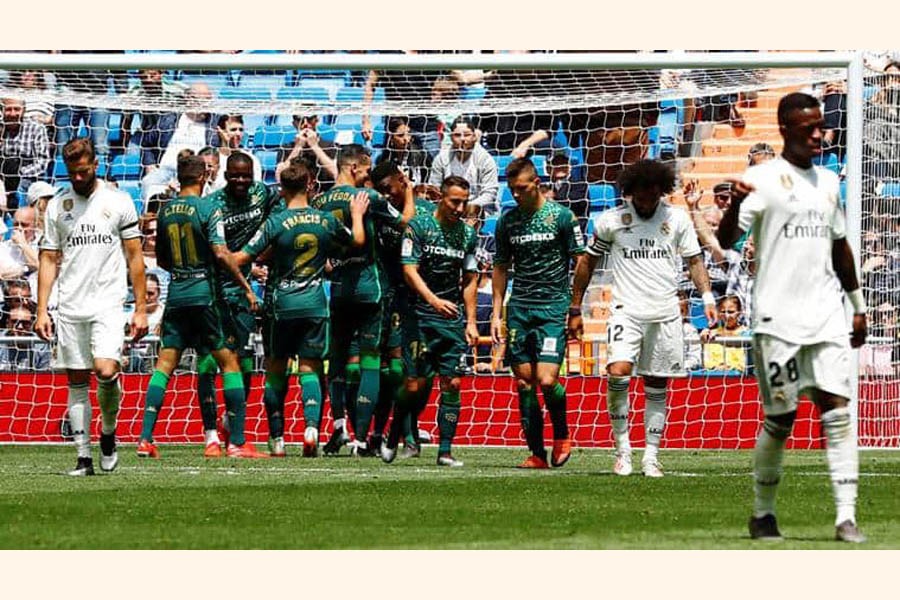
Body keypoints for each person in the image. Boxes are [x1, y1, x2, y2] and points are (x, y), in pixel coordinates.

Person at [717, 92, 868, 543]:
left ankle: (846, 517)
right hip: (777, 318)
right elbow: (729, 238)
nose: (820, 134)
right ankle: (763, 514)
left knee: (838, 411)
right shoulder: (762, 179)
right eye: (811, 128)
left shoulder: (827, 181)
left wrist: (857, 307)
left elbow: (839, 245)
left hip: (826, 316)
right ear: (786, 128)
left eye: (821, 126)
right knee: (781, 419)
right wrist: (731, 205)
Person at [568, 159, 717, 478]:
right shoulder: (612, 220)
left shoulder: (676, 219)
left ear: (661, 191)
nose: (648, 201)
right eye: (641, 195)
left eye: (654, 195)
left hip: (664, 313)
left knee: (656, 383)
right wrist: (575, 307)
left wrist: (707, 297)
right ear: (630, 192)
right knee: (618, 373)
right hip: (627, 310)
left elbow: (694, 261)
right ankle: (623, 450)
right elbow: (587, 262)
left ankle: (651, 455)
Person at [135, 154, 266, 459]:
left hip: (177, 292)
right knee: (229, 363)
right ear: (205, 176)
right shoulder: (209, 208)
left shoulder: (165, 212)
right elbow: (221, 253)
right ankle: (236, 442)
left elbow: (163, 259)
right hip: (205, 294)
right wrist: (247, 288)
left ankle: (145, 438)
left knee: (165, 365)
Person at [235, 162, 367, 457]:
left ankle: (277, 439)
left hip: (281, 305)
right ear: (310, 185)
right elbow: (357, 241)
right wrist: (357, 215)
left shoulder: (275, 221)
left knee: (276, 369)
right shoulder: (324, 220)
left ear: (281, 189)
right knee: (311, 368)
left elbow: (244, 256)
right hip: (315, 304)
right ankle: (310, 430)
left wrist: (224, 256)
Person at [35, 137, 149, 476]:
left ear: (95, 165)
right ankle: (83, 458)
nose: (79, 178)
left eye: (83, 171)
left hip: (109, 303)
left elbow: (135, 256)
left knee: (106, 370)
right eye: (72, 173)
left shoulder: (118, 201)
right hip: (70, 304)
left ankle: (109, 433)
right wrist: (43, 309)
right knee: (76, 380)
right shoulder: (58, 206)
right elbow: (49, 258)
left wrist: (140, 308)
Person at [312, 144, 414, 456]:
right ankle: (360, 440)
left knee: (338, 363)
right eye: (366, 170)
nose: (368, 175)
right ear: (354, 167)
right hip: (369, 289)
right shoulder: (367, 198)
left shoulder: (319, 201)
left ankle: (339, 425)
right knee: (371, 362)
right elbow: (405, 221)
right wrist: (408, 192)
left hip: (339, 289)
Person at [490, 157, 586, 469]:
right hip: (519, 309)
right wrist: (496, 312)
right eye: (511, 189)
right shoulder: (508, 221)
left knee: (546, 380)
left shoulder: (561, 217)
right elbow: (501, 266)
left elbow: (581, 260)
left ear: (536, 183)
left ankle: (562, 433)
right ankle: (536, 453)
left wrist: (575, 307)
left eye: (521, 188)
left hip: (551, 309)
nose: (515, 195)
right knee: (523, 383)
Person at [381, 175, 478, 467]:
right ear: (441, 197)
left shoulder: (467, 235)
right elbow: (409, 271)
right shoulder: (419, 227)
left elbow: (470, 279)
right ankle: (395, 430)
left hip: (450, 319)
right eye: (454, 202)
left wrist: (471, 321)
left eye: (464, 202)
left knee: (453, 383)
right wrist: (433, 301)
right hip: (419, 316)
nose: (460, 209)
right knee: (414, 385)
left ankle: (445, 451)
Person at [196, 152, 281, 448]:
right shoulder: (212, 206)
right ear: (226, 176)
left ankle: (233, 423)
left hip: (244, 294)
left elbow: (280, 223)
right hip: (215, 292)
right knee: (208, 363)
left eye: (247, 176)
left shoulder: (263, 194)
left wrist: (261, 256)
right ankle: (209, 433)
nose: (242, 181)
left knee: (244, 363)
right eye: (236, 176)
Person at [369, 161, 434, 457]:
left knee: (421, 373)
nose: (384, 195)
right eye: (379, 191)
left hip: (424, 301)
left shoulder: (428, 212)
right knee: (396, 370)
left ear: (401, 180)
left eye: (388, 188)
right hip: (393, 298)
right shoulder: (383, 213)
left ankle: (402, 432)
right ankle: (401, 436)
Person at [427, 116, 499, 215]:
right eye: (457, 135)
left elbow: (489, 194)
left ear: (474, 137)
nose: (462, 139)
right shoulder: (441, 159)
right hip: (448, 208)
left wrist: (467, 207)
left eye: (466, 135)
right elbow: (434, 189)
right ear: (451, 137)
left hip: (478, 210)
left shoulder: (485, 160)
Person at [1, 98, 50, 210]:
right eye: (8, 109)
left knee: (21, 187)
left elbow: (43, 162)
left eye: (16, 109)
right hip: (3, 174)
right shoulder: (1, 128)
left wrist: (19, 173)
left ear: (23, 111)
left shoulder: (36, 128)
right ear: (2, 111)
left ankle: (19, 217)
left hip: (26, 176)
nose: (13, 114)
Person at [700, 294, 751, 372]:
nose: (727, 316)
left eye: (731, 312)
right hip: (715, 376)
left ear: (739, 312)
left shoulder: (747, 334)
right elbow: (706, 363)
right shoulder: (711, 334)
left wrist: (731, 367)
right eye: (723, 312)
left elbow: (747, 364)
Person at [376, 117, 431, 185]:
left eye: (408, 134)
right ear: (391, 139)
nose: (406, 138)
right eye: (400, 135)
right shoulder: (383, 161)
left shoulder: (422, 156)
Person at [0, 303, 50, 371]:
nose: (20, 327)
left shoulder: (41, 344)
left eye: (25, 323)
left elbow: (43, 375)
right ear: (7, 323)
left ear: (32, 324)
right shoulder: (1, 340)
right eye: (15, 322)